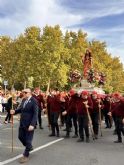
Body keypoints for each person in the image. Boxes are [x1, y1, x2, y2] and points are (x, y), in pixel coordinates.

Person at [10, 88, 38, 163]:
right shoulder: (23, 100)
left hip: (29, 124)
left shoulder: (34, 101)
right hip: (22, 123)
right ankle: (29, 147)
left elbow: (35, 114)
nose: (24, 93)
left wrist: (32, 124)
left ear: (29, 93)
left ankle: (25, 155)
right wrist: (14, 111)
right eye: (23, 92)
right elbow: (20, 109)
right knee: (20, 137)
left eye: (25, 92)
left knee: (28, 140)